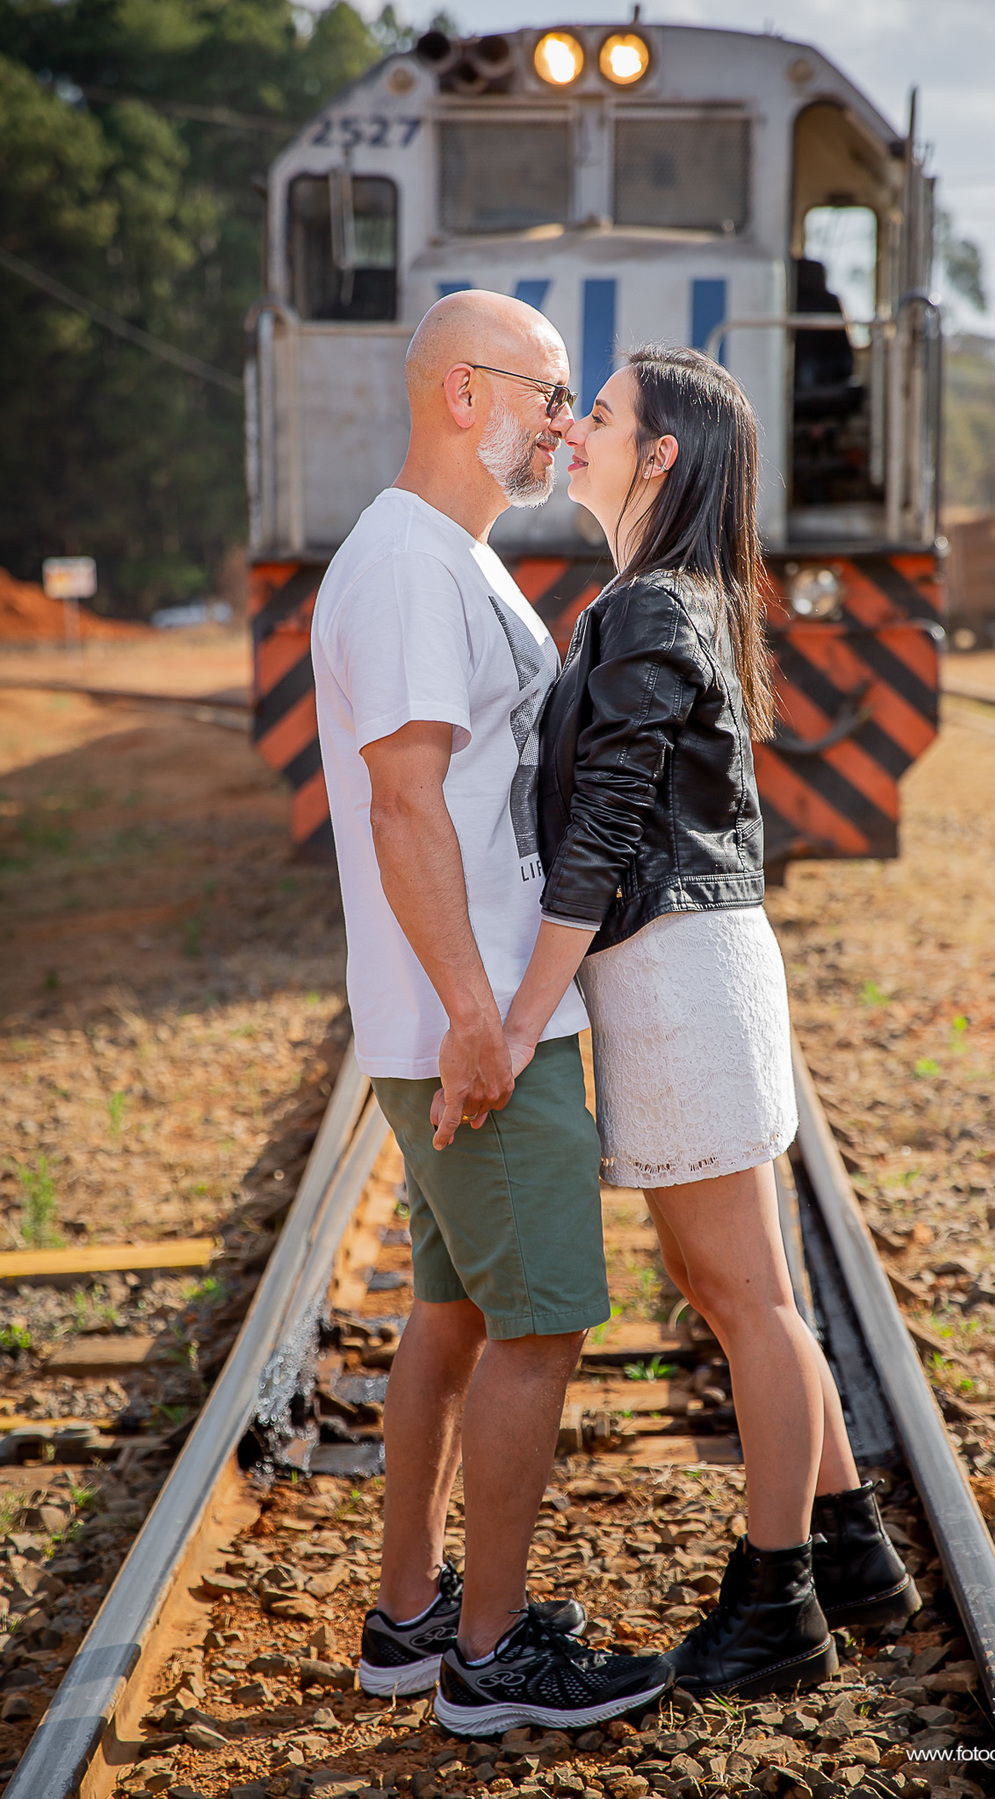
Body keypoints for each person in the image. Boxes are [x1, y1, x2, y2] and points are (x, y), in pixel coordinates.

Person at [493, 345, 919, 1698]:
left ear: (659, 454)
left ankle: (777, 1602)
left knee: (748, 1301)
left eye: (601, 415)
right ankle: (854, 1550)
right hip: (684, 969)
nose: (576, 430)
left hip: (679, 977)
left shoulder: (651, 609)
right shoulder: (668, 599)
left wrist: (521, 1014)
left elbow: (607, 832)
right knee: (737, 1289)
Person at [311, 290, 672, 1734]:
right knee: (542, 1327)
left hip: (469, 1019)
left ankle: (411, 1618)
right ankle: (491, 1655)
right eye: (548, 390)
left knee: (454, 1313)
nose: (566, 421)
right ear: (465, 394)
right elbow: (404, 805)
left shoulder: (451, 556)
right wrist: (478, 1016)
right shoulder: (410, 564)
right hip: (477, 1033)